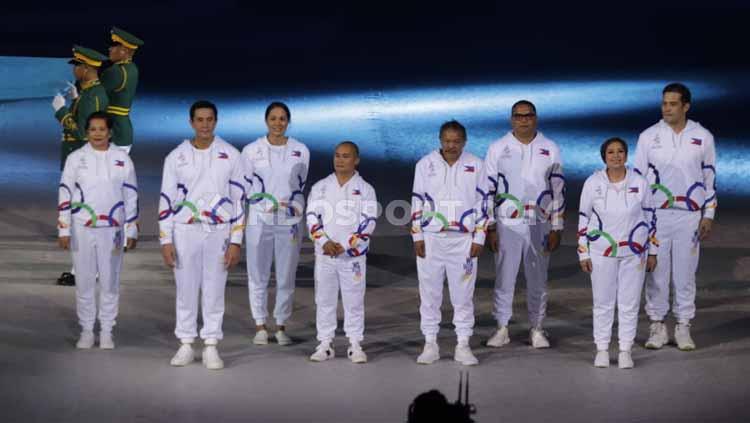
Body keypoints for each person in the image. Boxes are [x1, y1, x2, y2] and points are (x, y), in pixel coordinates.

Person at [158, 100, 245, 370]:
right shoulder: (176, 157)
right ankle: (185, 342)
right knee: (185, 288)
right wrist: (165, 239)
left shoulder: (231, 155)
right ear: (191, 123)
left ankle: (210, 345)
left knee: (214, 288)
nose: (205, 124)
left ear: (215, 122)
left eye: (209, 119)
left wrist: (235, 241)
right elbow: (166, 199)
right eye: (200, 119)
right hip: (185, 230)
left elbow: (240, 200)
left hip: (218, 231)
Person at [633, 83, 717, 351]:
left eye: (672, 104)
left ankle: (683, 325)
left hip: (689, 217)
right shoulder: (648, 137)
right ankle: (657, 325)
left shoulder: (702, 136)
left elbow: (709, 177)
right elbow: (637, 180)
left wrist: (709, 213)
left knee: (685, 274)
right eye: (664, 103)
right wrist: (637, 217)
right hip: (656, 216)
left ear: (686, 106)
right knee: (656, 273)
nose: (666, 108)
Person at [484, 100, 565, 349]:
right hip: (507, 222)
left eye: (528, 115)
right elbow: (487, 189)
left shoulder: (550, 148)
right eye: (518, 116)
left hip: (539, 222)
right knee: (505, 277)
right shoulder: (498, 148)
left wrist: (557, 226)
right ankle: (502, 327)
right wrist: (490, 226)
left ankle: (537, 327)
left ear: (535, 118)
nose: (523, 120)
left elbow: (558, 188)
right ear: (512, 119)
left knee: (538, 278)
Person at [411, 120, 489, 366]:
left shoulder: (476, 165)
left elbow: (484, 203)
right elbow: (417, 201)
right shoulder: (425, 165)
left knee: (463, 295)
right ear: (440, 140)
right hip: (432, 238)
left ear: (464, 142)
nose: (451, 145)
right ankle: (430, 343)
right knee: (430, 293)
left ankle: (463, 344)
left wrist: (479, 236)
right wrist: (417, 235)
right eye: (447, 140)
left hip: (463, 241)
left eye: (456, 141)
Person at [57, 111, 138, 349]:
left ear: (110, 132)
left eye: (102, 129)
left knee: (110, 281)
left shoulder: (122, 159)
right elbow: (65, 192)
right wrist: (64, 228)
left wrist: (131, 228)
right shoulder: (76, 158)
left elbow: (131, 194)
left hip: (112, 230)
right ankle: (86, 330)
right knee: (84, 281)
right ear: (87, 132)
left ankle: (106, 331)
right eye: (92, 129)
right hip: (82, 227)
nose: (97, 134)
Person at [578, 137, 658, 369]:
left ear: (626, 155)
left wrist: (653, 251)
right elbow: (583, 218)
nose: (616, 156)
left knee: (629, 303)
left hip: (634, 252)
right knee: (603, 302)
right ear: (604, 156)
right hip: (601, 252)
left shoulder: (639, 182)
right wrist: (583, 252)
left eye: (620, 151)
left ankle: (625, 349)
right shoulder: (593, 183)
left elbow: (651, 217)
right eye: (611, 152)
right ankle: (602, 348)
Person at [242, 102, 309, 346]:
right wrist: (262, 201)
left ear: (288, 121)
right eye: (273, 118)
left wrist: (290, 205)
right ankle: (260, 325)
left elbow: (299, 186)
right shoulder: (251, 150)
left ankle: (281, 325)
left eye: (282, 119)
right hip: (260, 219)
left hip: (289, 219)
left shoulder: (301, 150)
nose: (277, 123)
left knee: (286, 274)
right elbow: (245, 185)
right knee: (257, 274)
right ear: (266, 121)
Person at [305, 141, 377, 363]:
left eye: (346, 156)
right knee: (324, 299)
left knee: (354, 300)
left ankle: (355, 344)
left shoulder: (365, 189)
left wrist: (345, 245)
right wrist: (324, 241)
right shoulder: (320, 187)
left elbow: (369, 222)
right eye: (337, 155)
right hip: (325, 255)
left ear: (356, 160)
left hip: (352, 257)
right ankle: (325, 344)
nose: (340, 160)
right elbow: (310, 217)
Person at [53, 45, 110, 287]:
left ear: (87, 69)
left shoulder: (93, 96)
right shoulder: (90, 93)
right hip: (80, 160)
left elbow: (82, 132)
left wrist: (61, 112)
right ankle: (82, 269)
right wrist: (76, 100)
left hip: (82, 163)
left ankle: (86, 271)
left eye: (77, 65)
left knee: (82, 219)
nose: (75, 69)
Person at [101, 27, 143, 154]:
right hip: (124, 131)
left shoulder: (115, 71)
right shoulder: (131, 68)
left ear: (124, 50)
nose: (110, 49)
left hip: (112, 133)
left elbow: (95, 97)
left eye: (114, 45)